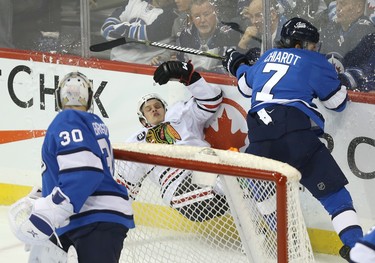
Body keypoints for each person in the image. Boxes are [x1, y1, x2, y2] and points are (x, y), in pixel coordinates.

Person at [222, 17, 363, 261]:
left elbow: (245, 85)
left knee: (264, 193)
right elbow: (336, 103)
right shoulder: (314, 61)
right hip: (295, 134)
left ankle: (290, 244)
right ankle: (356, 247)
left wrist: (237, 62)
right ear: (299, 45)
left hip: (258, 139)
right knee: (334, 195)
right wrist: (340, 79)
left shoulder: (267, 57)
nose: (314, 49)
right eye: (311, 45)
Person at [12, 72, 135, 263]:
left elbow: (85, 173)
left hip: (91, 215)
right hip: (89, 215)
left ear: (59, 97)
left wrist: (50, 210)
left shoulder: (67, 119)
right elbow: (83, 167)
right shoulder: (94, 123)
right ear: (89, 98)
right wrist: (47, 193)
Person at [115, 60, 229, 222]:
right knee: (231, 187)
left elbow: (212, 100)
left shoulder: (181, 113)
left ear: (166, 108)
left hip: (205, 168)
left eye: (157, 105)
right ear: (142, 120)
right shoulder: (136, 143)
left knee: (235, 189)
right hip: (179, 187)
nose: (154, 109)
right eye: (148, 109)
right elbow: (126, 185)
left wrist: (190, 77)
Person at [320, 0, 374, 92]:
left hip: (355, 100)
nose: (338, 8)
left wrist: (339, 80)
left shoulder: (367, 33)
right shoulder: (331, 28)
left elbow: (367, 73)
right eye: (337, 3)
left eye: (343, 4)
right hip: (332, 92)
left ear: (359, 8)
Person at [101, 0, 177, 65]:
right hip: (114, 65)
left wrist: (120, 28)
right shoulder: (134, 2)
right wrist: (132, 33)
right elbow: (106, 29)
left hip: (143, 71)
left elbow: (146, 35)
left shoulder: (172, 15)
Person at [176, 0, 240, 73]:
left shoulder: (229, 35)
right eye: (197, 16)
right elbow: (181, 67)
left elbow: (230, 69)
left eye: (206, 14)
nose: (202, 20)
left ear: (216, 12)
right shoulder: (185, 36)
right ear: (191, 18)